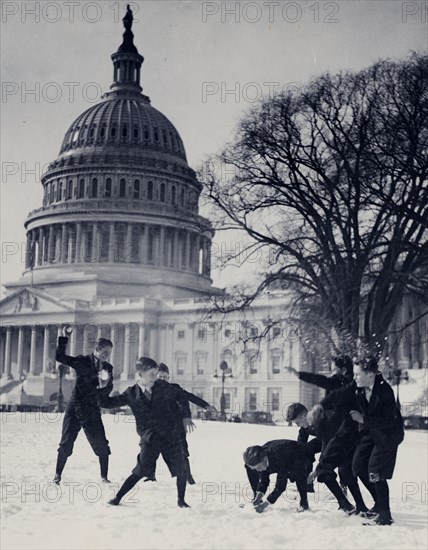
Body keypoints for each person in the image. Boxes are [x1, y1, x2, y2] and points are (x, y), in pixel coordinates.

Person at [312, 356, 404, 525]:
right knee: (358, 466)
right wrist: (320, 406)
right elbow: (338, 394)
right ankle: (379, 505)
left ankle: (385, 515)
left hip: (388, 435)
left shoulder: (385, 392)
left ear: (370, 375)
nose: (353, 378)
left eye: (357, 374)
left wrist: (364, 419)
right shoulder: (357, 386)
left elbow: (390, 420)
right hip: (370, 432)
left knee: (375, 471)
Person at [98, 357, 195, 508]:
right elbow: (106, 403)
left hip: (169, 435)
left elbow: (181, 395)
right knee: (140, 471)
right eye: (151, 374)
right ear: (140, 374)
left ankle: (181, 501)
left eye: (156, 374)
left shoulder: (162, 386)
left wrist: (186, 416)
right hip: (149, 438)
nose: (155, 378)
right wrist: (105, 385)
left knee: (181, 469)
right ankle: (117, 498)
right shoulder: (131, 393)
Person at [53, 329, 114, 484]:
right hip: (74, 408)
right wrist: (63, 339)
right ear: (97, 349)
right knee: (66, 443)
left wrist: (103, 387)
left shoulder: (108, 368)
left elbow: (108, 390)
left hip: (92, 411)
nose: (107, 356)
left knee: (101, 444)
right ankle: (57, 475)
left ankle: (104, 477)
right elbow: (60, 357)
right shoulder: (82, 361)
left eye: (109, 353)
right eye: (105, 352)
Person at [287, 402, 369, 514]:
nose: (298, 425)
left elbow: (327, 447)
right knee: (307, 450)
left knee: (341, 471)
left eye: (297, 422)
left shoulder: (321, 419)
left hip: (348, 440)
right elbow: (300, 447)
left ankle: (358, 505)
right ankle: (309, 485)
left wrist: (317, 469)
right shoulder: (305, 427)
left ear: (303, 414)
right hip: (329, 439)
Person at [154, 363, 217, 484]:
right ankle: (150, 475)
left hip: (176, 425)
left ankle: (189, 476)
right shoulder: (150, 389)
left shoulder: (174, 388)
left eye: (165, 377)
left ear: (168, 378)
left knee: (182, 451)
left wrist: (206, 405)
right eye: (160, 377)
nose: (162, 379)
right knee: (152, 450)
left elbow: (190, 397)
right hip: (158, 425)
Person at [243, 439, 314, 513]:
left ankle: (304, 504)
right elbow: (264, 479)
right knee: (249, 468)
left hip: (301, 453)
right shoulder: (259, 458)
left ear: (264, 459)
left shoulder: (280, 458)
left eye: (259, 467)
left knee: (298, 474)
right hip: (280, 454)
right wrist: (259, 494)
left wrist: (265, 504)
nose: (258, 470)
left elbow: (281, 486)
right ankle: (257, 498)